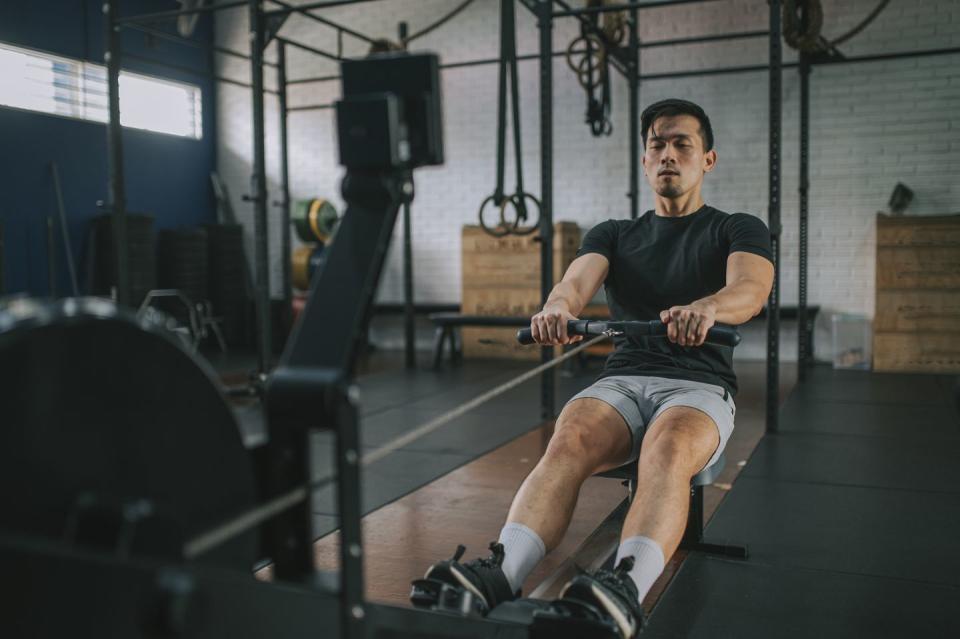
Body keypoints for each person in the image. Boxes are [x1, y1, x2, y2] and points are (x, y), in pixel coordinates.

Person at [414, 98, 774, 638]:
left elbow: (750, 289)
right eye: (657, 144)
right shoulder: (615, 233)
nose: (668, 154)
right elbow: (575, 283)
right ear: (645, 160)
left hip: (698, 384)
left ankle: (624, 586)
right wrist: (558, 308)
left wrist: (708, 308)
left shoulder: (736, 227)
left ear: (709, 160)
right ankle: (500, 571)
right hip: (623, 378)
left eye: (683, 144)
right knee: (570, 435)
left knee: (669, 447)